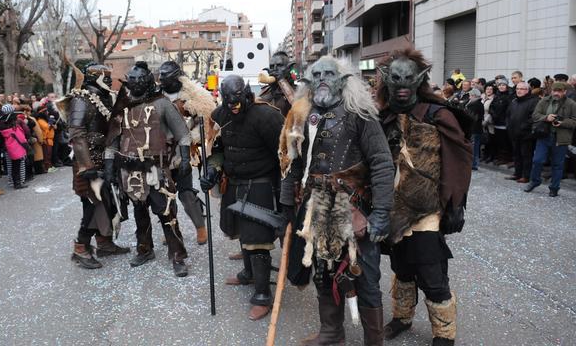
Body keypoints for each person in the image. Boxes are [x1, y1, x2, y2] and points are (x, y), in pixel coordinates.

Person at [278, 56, 394, 344]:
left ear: (343, 80)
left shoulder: (360, 114)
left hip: (354, 208)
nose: (322, 80)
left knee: (365, 277)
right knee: (323, 272)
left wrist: (381, 212)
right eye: (316, 75)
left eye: (329, 74)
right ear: (309, 82)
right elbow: (294, 162)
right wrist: (286, 205)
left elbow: (382, 162)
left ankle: (374, 341)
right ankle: (332, 332)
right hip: (315, 207)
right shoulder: (302, 115)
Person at [377, 49, 472, 346]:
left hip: (427, 210)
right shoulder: (383, 117)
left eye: (409, 78)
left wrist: (456, 205)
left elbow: (458, 161)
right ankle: (402, 317)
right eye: (396, 78)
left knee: (432, 273)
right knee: (402, 268)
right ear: (386, 79)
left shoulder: (438, 115)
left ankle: (444, 334)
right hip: (393, 210)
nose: (402, 85)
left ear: (419, 79)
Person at [199, 74, 285, 321]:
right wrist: (212, 170)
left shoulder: (267, 116)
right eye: (229, 102)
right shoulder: (221, 115)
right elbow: (218, 150)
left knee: (257, 239)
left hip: (261, 184)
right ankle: (248, 273)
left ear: (246, 94)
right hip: (234, 183)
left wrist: (286, 193)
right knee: (239, 230)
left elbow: (284, 155)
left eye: (237, 102)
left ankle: (262, 294)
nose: (234, 107)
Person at [105, 62, 191, 276]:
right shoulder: (122, 106)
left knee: (166, 212)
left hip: (156, 169)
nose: (134, 85)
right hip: (130, 171)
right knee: (139, 211)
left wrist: (185, 159)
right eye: (131, 82)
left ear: (147, 82)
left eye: (138, 81)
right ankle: (144, 249)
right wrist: (109, 167)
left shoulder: (162, 103)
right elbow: (112, 141)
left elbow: (183, 134)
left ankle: (177, 255)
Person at [59, 63, 130, 269]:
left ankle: (104, 242)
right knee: (92, 206)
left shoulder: (103, 98)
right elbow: (77, 133)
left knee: (107, 203)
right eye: (104, 76)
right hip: (88, 162)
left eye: (109, 76)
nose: (108, 80)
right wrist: (86, 165)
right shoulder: (81, 99)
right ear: (94, 78)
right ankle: (80, 248)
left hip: (104, 158)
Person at [158, 60, 216, 245]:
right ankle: (173, 229)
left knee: (186, 193)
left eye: (166, 76)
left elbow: (206, 118)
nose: (162, 80)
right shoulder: (156, 95)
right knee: (165, 194)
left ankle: (200, 227)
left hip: (182, 149)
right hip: (161, 151)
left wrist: (193, 137)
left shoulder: (192, 94)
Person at [525, 82, 576, 196]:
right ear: (551, 91)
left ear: (565, 92)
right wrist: (546, 117)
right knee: (537, 160)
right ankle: (535, 181)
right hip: (544, 136)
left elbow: (574, 121)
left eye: (559, 91)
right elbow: (535, 115)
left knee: (557, 164)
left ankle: (554, 188)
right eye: (554, 91)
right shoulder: (544, 101)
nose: (556, 93)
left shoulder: (571, 104)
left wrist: (562, 122)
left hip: (560, 138)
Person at [505, 83, 539, 183]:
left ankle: (526, 176)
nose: (519, 91)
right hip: (514, 133)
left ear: (527, 90)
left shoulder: (533, 101)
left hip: (526, 135)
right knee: (516, 155)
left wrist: (523, 126)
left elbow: (533, 117)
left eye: (522, 89)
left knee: (526, 156)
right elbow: (508, 115)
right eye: (517, 89)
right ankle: (517, 173)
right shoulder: (514, 101)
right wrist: (508, 125)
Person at [0, 105, 28, 190]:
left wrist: (3, 146)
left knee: (11, 165)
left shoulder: (0, 123)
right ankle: (18, 182)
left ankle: (13, 182)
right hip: (17, 146)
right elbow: (23, 135)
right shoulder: (15, 123)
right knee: (18, 165)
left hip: (7, 147)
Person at [258, 51, 295, 116]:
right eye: (272, 66)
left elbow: (297, 106)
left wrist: (281, 80)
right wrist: (273, 88)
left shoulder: (299, 90)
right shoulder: (265, 91)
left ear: (289, 68)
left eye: (279, 65)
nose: (274, 69)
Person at [489, 79, 513, 164]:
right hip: (496, 122)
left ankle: (505, 158)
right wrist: (493, 114)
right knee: (498, 141)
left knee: (504, 142)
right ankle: (500, 157)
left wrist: (502, 117)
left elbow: (509, 110)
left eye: (503, 85)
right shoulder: (497, 95)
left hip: (504, 123)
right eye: (499, 85)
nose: (501, 87)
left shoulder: (509, 96)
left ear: (506, 86)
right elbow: (491, 106)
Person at [465, 88, 484, 170]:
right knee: (475, 147)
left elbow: (472, 117)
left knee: (474, 147)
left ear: (474, 96)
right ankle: (473, 163)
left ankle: (474, 164)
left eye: (470, 95)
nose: (469, 97)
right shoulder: (477, 103)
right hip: (476, 129)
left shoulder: (475, 104)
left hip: (474, 129)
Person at [481, 84, 496, 163]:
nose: (489, 90)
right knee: (485, 140)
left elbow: (491, 112)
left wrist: (485, 121)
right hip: (481, 121)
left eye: (491, 89)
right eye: (487, 89)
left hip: (489, 122)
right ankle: (484, 155)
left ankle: (491, 156)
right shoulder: (482, 98)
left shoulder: (494, 99)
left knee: (490, 140)